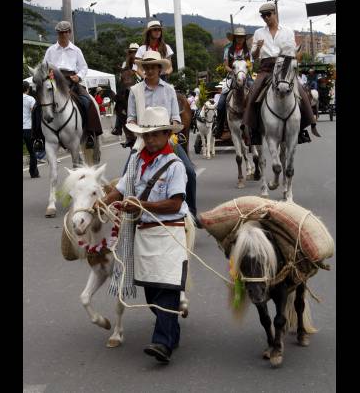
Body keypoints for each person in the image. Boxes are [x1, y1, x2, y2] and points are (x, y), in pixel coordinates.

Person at [100, 106, 188, 364]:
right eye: (146, 135)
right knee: (152, 293)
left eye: (155, 135)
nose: (150, 140)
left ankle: (162, 343)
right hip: (144, 235)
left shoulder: (175, 166)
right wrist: (103, 202)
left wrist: (142, 205)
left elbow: (174, 203)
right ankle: (171, 332)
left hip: (167, 235)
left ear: (166, 135)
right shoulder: (136, 161)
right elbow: (120, 188)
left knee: (167, 289)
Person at [125, 50, 198, 224]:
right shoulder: (135, 91)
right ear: (142, 69)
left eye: (153, 67)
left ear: (159, 69)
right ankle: (127, 218)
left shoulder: (169, 90)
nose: (149, 71)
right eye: (146, 67)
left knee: (190, 172)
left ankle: (192, 213)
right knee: (127, 176)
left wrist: (170, 130)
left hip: (166, 137)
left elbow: (176, 117)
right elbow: (130, 118)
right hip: (144, 139)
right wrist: (141, 130)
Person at [241, 3, 320, 146]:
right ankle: (252, 131)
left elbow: (292, 51)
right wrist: (257, 48)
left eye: (268, 15)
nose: (265, 18)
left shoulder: (288, 31)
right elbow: (254, 54)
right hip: (265, 68)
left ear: (274, 13)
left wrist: (289, 60)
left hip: (284, 67)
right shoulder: (258, 32)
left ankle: (307, 126)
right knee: (252, 94)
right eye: (262, 16)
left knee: (302, 92)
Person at [43, 21, 102, 149]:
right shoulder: (50, 50)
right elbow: (45, 67)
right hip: (54, 80)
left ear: (69, 33)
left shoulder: (76, 50)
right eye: (60, 33)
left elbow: (84, 67)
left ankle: (91, 133)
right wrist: (50, 77)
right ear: (57, 34)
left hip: (71, 80)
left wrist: (78, 76)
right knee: (39, 104)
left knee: (88, 101)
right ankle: (38, 138)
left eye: (65, 32)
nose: (63, 35)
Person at [215, 26, 254, 138]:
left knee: (256, 96)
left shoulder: (248, 51)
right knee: (221, 103)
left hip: (246, 76)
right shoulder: (228, 50)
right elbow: (226, 66)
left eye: (242, 37)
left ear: (244, 38)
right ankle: (220, 127)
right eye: (238, 37)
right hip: (232, 76)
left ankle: (257, 125)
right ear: (234, 38)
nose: (240, 39)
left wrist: (245, 72)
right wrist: (233, 71)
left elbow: (251, 66)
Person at [23, 81, 39, 178]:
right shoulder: (30, 99)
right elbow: (34, 112)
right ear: (28, 89)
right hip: (28, 128)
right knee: (31, 151)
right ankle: (33, 173)